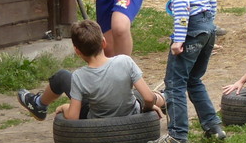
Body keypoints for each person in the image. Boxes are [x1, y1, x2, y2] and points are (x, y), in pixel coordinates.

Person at [146, 0, 225, 143]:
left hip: (191, 30)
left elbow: (182, 5)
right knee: (194, 80)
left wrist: (179, 39)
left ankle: (177, 136)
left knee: (174, 83)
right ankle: (214, 127)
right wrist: (210, 27)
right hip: (207, 27)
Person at [15, 20, 164, 123]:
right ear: (104, 42)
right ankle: (167, 97)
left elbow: (73, 118)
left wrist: (65, 108)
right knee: (140, 93)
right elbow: (148, 98)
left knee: (62, 76)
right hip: (131, 112)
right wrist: (147, 110)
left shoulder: (79, 76)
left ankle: (39, 104)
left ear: (77, 51)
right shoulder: (125, 61)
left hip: (97, 120)